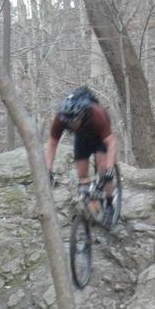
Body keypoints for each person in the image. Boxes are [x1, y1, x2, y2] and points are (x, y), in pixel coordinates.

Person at [44, 86, 118, 227]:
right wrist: (48, 170)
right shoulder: (61, 118)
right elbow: (52, 144)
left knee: (103, 170)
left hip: (100, 137)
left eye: (74, 121)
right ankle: (94, 207)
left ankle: (109, 205)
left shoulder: (96, 113)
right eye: (69, 122)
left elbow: (111, 142)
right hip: (82, 138)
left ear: (82, 114)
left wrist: (109, 169)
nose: (71, 125)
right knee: (82, 177)